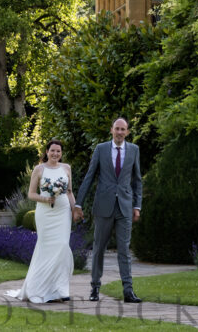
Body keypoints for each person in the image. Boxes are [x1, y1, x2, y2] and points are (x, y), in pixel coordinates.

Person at [74, 118, 143, 303]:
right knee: (98, 249)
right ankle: (95, 288)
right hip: (103, 206)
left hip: (125, 208)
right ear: (111, 130)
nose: (120, 132)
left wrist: (137, 206)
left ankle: (128, 291)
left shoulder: (134, 150)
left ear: (127, 132)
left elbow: (137, 180)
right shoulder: (101, 149)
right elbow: (89, 177)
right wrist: (78, 204)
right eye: (117, 129)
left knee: (124, 250)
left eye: (123, 129)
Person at [7, 139, 76, 304]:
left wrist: (75, 210)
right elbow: (31, 194)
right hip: (46, 214)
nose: (55, 154)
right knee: (45, 249)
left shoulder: (66, 168)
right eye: (52, 150)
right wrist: (46, 199)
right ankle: (38, 288)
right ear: (46, 151)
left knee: (62, 246)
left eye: (58, 151)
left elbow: (69, 192)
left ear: (61, 153)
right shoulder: (39, 169)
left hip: (62, 213)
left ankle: (61, 289)